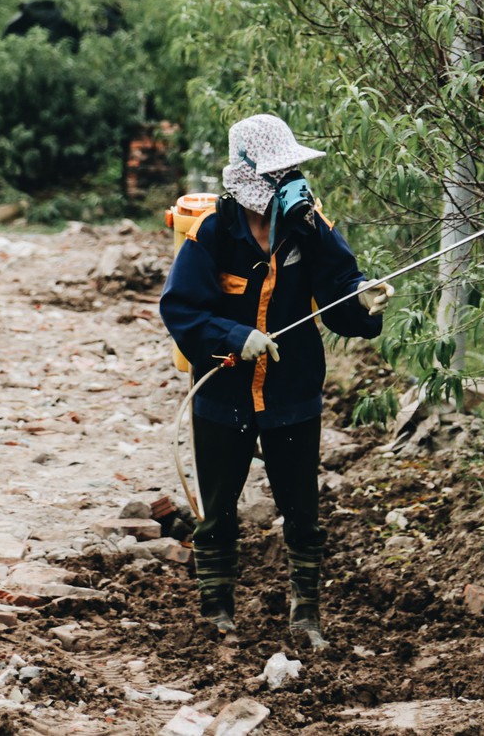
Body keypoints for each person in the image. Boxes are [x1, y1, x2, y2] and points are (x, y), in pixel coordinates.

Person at [159, 113, 388, 647]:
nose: (287, 181)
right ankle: (217, 613)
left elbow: (340, 296)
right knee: (217, 509)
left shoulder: (310, 229)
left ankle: (306, 615)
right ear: (248, 175)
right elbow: (182, 308)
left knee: (301, 509)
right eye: (278, 171)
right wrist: (235, 336)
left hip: (292, 391)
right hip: (223, 391)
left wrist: (364, 302)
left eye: (291, 171)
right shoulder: (212, 232)